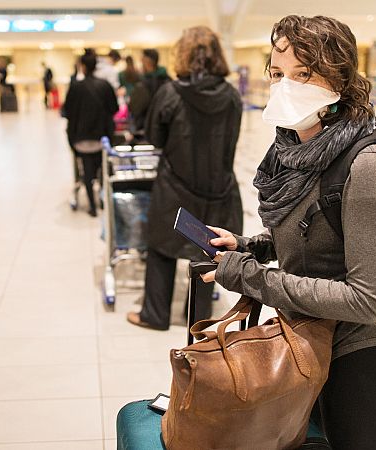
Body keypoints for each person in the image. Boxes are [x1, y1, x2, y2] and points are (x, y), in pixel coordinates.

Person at [200, 15, 376, 449]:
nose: (286, 86)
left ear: (339, 80)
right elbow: (320, 236)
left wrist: (250, 277)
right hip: (315, 343)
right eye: (277, 74)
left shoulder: (370, 166)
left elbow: (367, 300)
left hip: (370, 363)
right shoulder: (296, 152)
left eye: (304, 74)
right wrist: (249, 246)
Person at [126, 26, 243, 331]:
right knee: (208, 252)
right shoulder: (232, 96)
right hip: (218, 188)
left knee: (161, 249)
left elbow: (155, 137)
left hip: (174, 186)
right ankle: (198, 320)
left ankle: (154, 315)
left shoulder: (171, 93)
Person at [62, 52, 118, 217]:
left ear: (83, 67)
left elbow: (67, 111)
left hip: (81, 138)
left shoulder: (75, 87)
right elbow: (114, 109)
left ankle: (92, 206)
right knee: (101, 168)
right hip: (102, 138)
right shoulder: (104, 86)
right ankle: (102, 200)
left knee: (86, 172)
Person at [128, 48, 171, 133]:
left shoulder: (143, 83)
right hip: (166, 128)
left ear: (147, 61)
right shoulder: (169, 81)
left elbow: (134, 108)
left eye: (142, 60)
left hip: (146, 129)